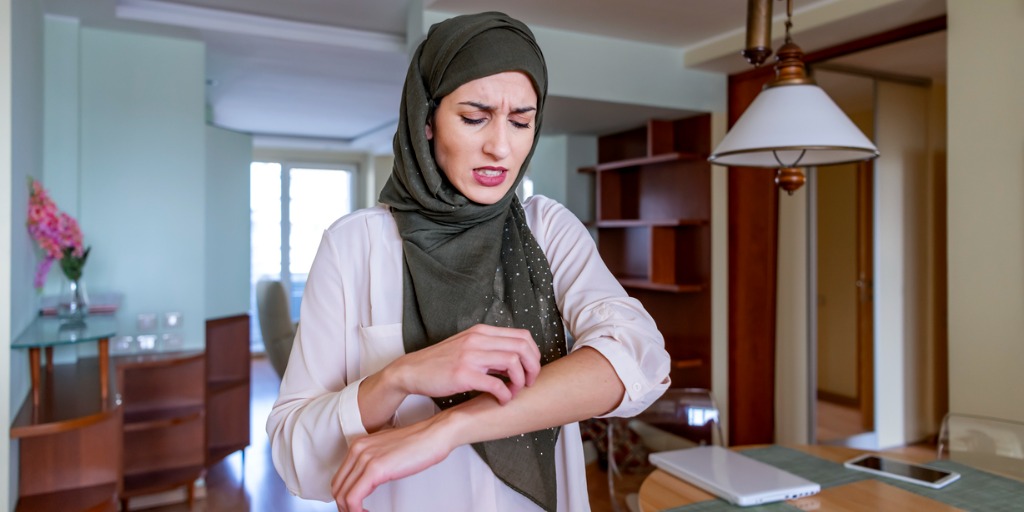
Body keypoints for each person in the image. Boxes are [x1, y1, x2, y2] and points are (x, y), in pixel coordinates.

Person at [266, 11, 671, 512]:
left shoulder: (548, 229)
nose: (501, 146)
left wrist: (449, 427)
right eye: (474, 117)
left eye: (521, 121)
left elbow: (640, 360)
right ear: (427, 120)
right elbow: (294, 457)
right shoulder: (355, 246)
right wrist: (399, 377)